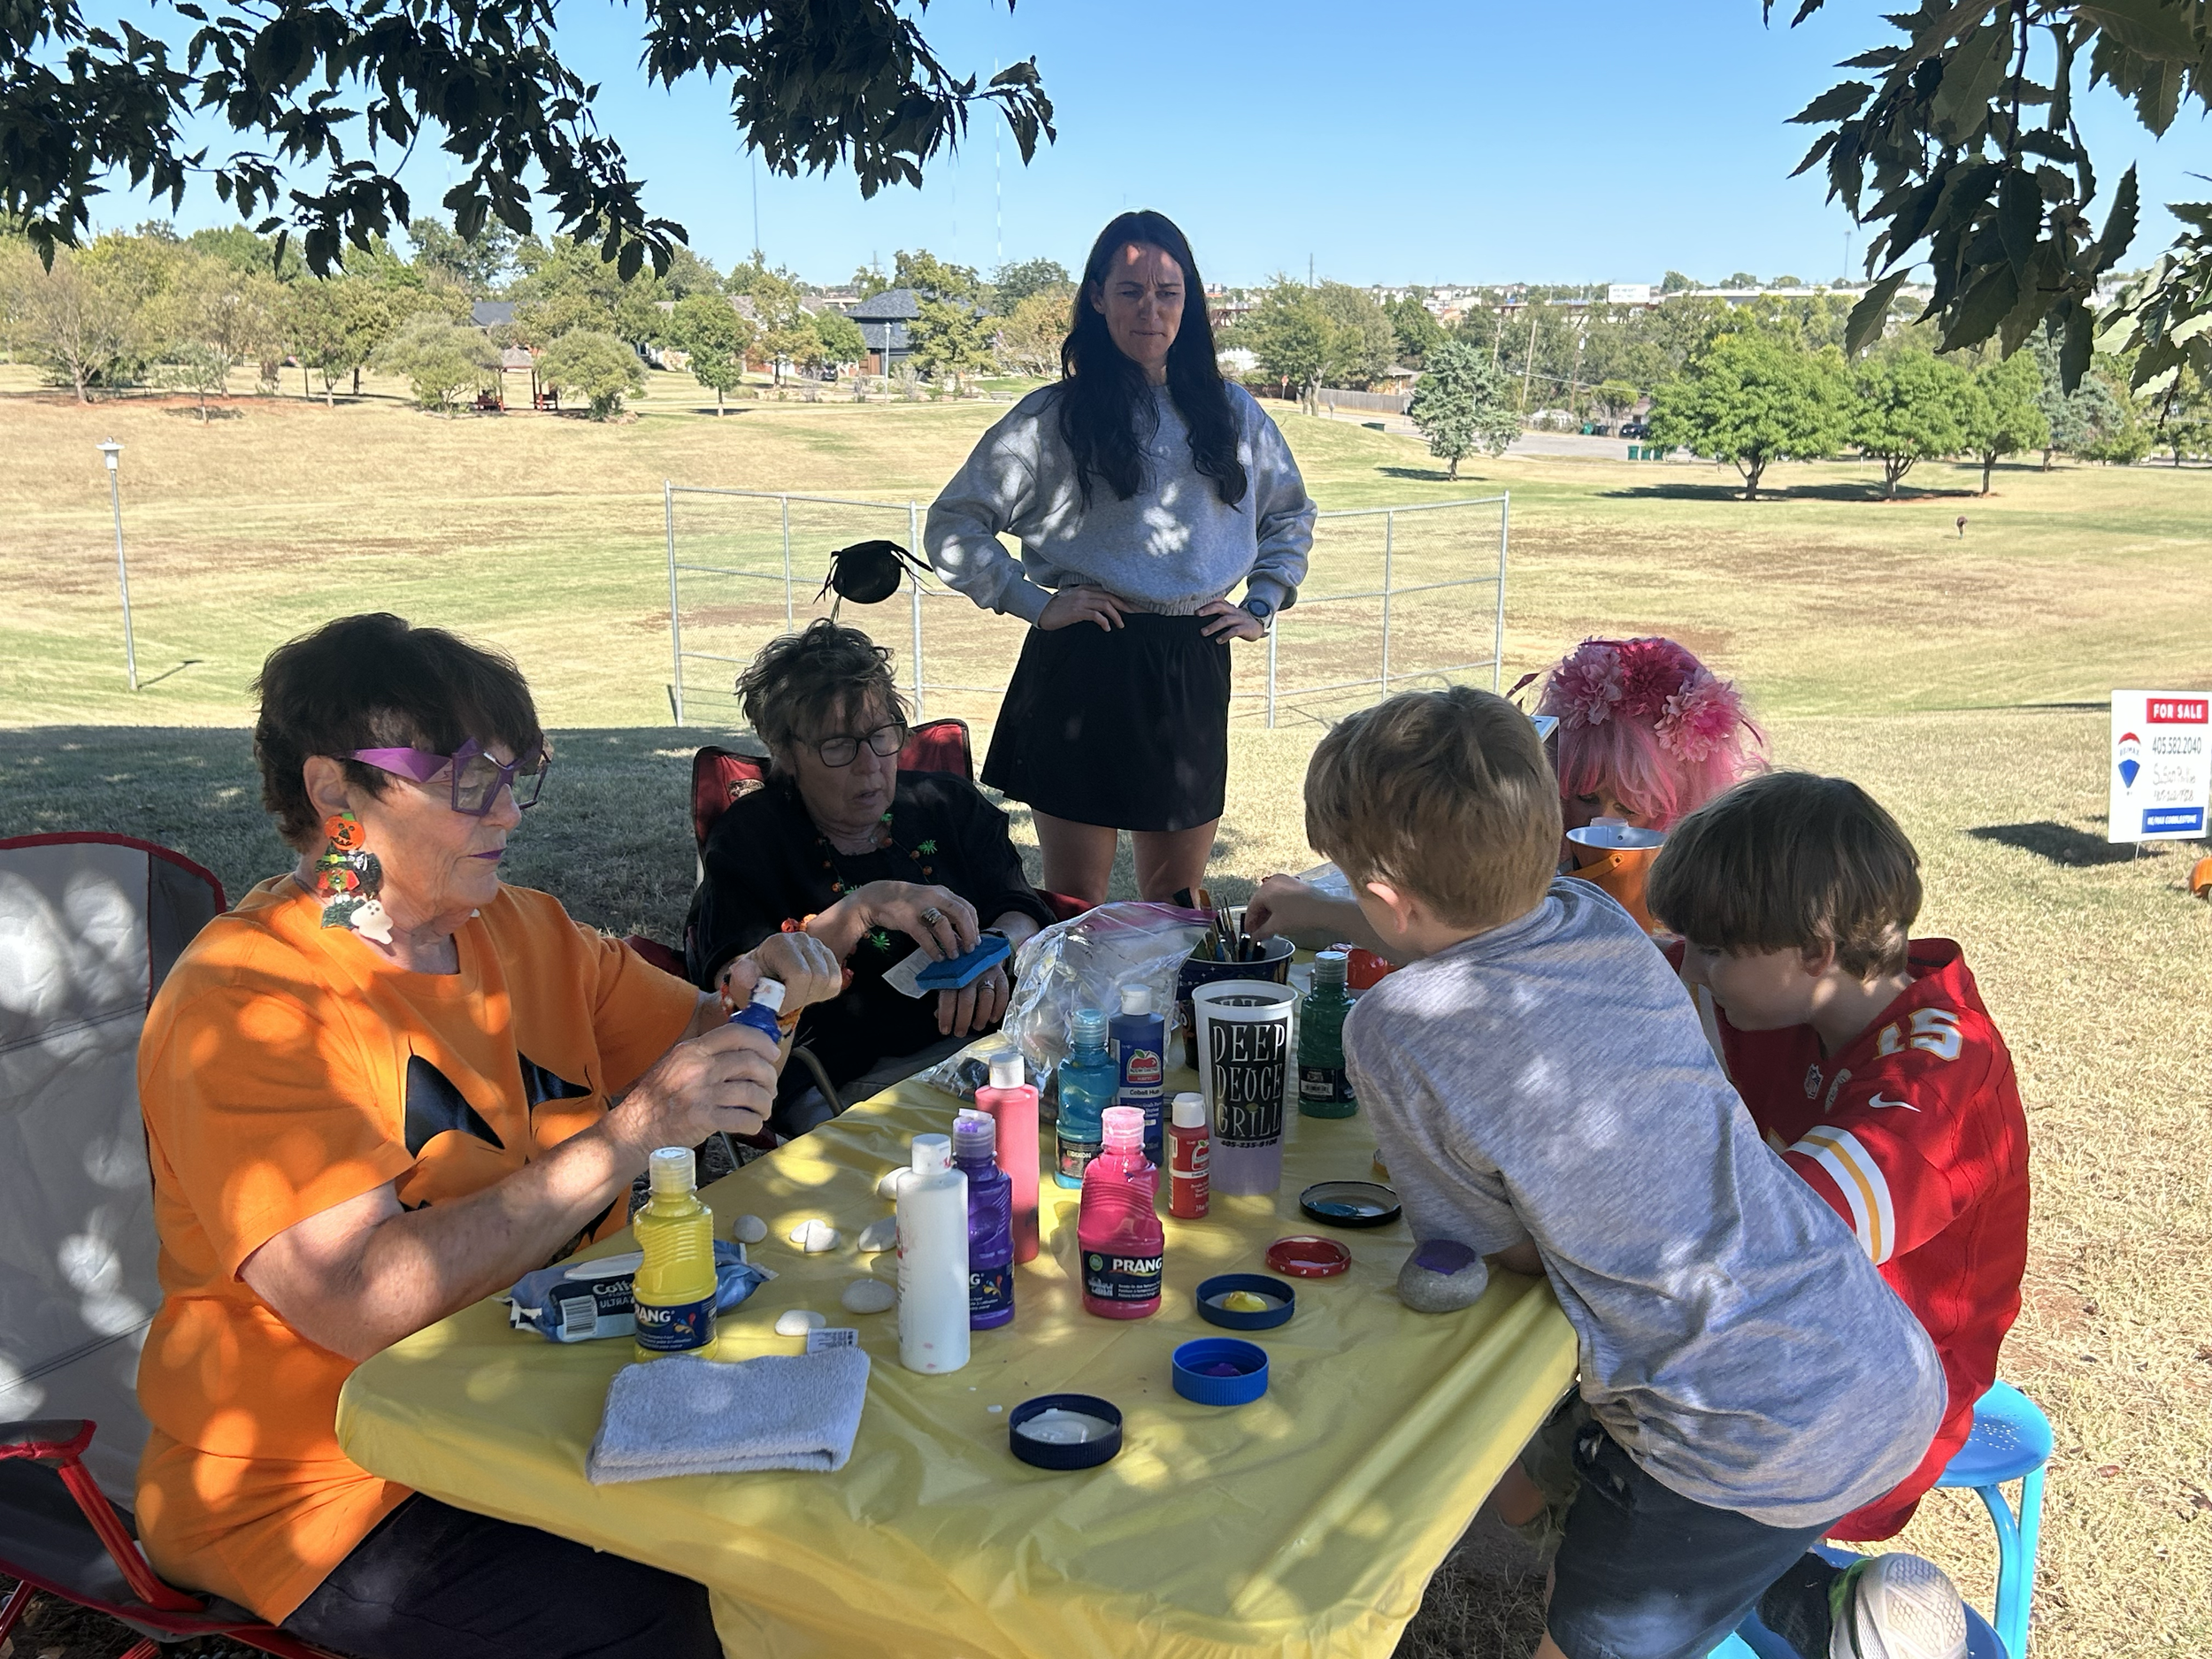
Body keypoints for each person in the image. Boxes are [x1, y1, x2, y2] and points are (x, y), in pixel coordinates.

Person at [134, 613, 841, 1659]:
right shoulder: (249, 1004)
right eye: (468, 780)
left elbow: (701, 1033)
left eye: (518, 774)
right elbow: (363, 1303)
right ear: (337, 796)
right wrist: (639, 1130)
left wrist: (766, 996)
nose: (509, 810)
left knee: (818, 1544)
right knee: (699, 1625)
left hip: (535, 1411)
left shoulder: (523, 929)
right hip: (327, 1487)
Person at [1307, 686, 1969, 1659]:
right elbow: (1474, 943)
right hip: (1874, 1363)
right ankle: (1828, 1610)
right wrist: (1335, 914)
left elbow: (1490, 1252)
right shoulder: (1591, 916)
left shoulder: (1389, 1032)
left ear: (1386, 899)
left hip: (1723, 1430)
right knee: (1670, 1521)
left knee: (1592, 1632)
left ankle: (1689, 1573)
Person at [1649, 772, 2030, 1548]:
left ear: (1816, 950)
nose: (1697, 969)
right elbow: (1619, 962)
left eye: (1717, 951)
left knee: (1626, 1467)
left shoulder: (1939, 1080)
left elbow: (1773, 1243)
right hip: (1797, 1330)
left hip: (1880, 1398)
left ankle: (1811, 1597)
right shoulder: (1784, 983)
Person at [924, 209, 1316, 903]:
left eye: (1168, 291)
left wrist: (1262, 601)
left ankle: (1167, 1018)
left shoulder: (1233, 414)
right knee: (1075, 902)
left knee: (1176, 900)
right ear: (1097, 296)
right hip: (1085, 660)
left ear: (1189, 301)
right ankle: (1078, 1018)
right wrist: (1035, 604)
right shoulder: (1051, 420)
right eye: (1131, 290)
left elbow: (1290, 513)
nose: (1151, 309)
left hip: (1191, 661)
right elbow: (955, 524)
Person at [686, 620, 1057, 1131]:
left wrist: (989, 951)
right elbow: (735, 988)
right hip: (829, 1077)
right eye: (838, 746)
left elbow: (1023, 907)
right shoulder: (752, 839)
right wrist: (863, 908)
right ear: (788, 754)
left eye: (881, 736)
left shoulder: (945, 805)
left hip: (984, 1052)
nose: (869, 765)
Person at [1247, 635, 1763, 949]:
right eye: (1583, 795)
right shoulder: (1537, 870)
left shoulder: (1717, 907)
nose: (1604, 822)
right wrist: (1316, 908)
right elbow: (1464, 938)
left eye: (1633, 807)